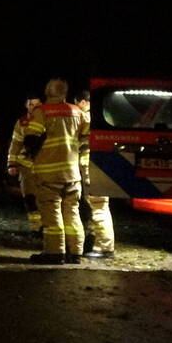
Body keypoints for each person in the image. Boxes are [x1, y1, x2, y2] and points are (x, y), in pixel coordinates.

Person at [25, 78, 89, 264]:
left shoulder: (42, 111)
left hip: (49, 172)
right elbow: (86, 137)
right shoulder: (77, 111)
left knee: (52, 212)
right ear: (65, 93)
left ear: (47, 92)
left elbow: (31, 138)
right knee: (72, 211)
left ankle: (54, 252)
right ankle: (75, 252)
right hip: (72, 173)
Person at [75, 89, 115, 258]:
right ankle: (97, 243)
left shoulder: (86, 117)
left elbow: (77, 140)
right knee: (97, 205)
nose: (77, 107)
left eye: (77, 104)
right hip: (99, 166)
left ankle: (104, 247)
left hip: (91, 167)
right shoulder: (105, 116)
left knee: (98, 205)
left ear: (83, 102)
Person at [7, 94, 43, 235]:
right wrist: (11, 163)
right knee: (30, 198)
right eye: (29, 104)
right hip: (25, 166)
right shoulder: (21, 122)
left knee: (45, 199)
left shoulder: (48, 120)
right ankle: (36, 227)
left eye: (35, 104)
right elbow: (15, 143)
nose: (32, 107)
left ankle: (47, 227)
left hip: (44, 166)